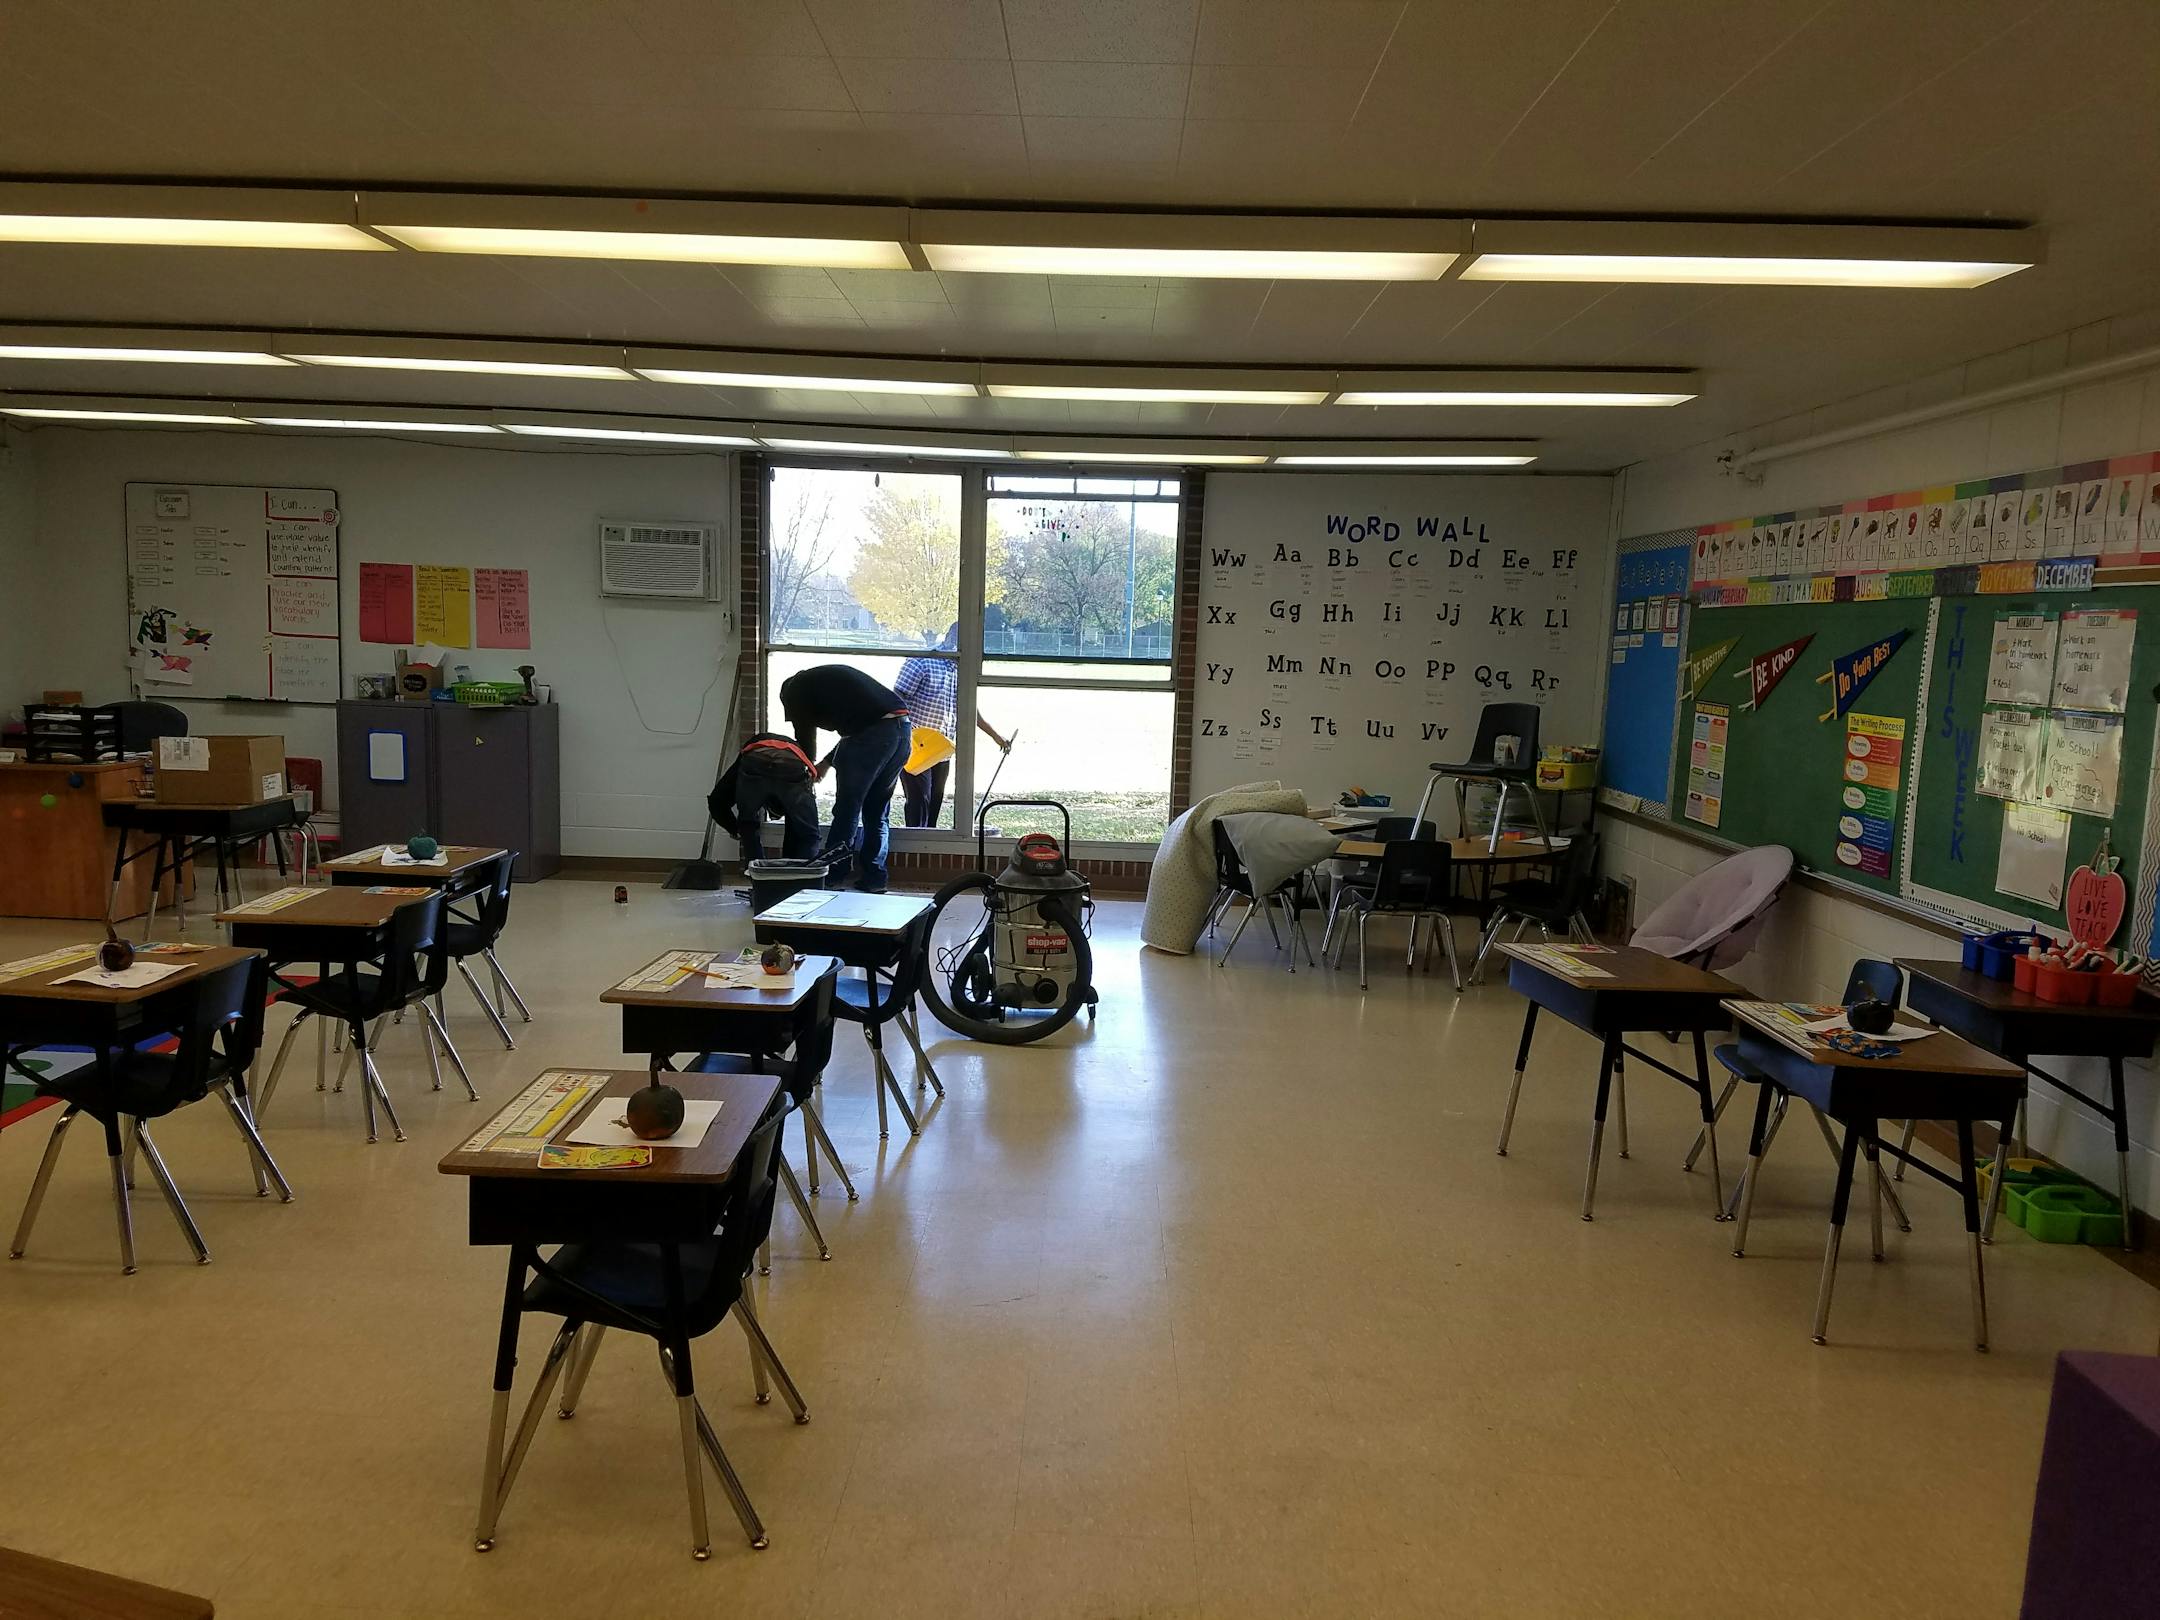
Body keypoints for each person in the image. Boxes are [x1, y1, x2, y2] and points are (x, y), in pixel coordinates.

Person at [779, 663, 911, 892]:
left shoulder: (795, 693)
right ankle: (875, 878)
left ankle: (832, 874)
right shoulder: (824, 685)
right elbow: (857, 732)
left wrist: (805, 769)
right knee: (877, 811)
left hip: (874, 736)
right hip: (902, 730)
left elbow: (806, 739)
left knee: (847, 809)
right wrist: (825, 763)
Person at [893, 624, 1010, 827]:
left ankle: (930, 842)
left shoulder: (961, 670)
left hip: (942, 750)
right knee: (919, 802)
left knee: (935, 803)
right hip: (917, 747)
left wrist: (995, 736)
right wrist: (906, 734)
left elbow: (969, 709)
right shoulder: (922, 661)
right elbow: (896, 698)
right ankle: (916, 843)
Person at [708, 731, 819, 863]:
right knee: (808, 834)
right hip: (791, 760)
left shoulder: (743, 770)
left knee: (748, 824)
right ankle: (804, 874)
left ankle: (757, 873)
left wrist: (737, 829)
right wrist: (734, 828)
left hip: (756, 757)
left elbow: (716, 801)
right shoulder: (795, 792)